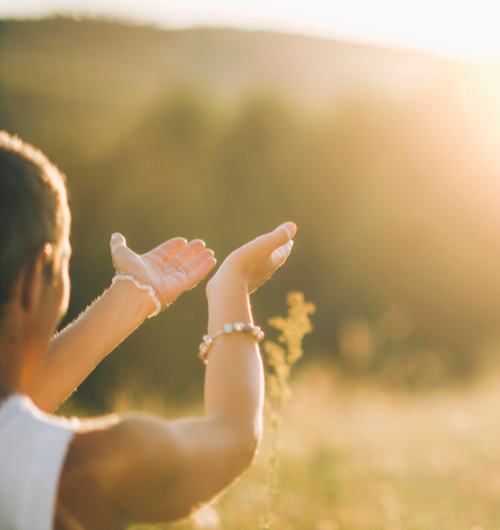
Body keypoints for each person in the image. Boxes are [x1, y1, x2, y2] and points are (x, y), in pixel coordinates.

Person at [0, 130, 296, 529]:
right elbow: (233, 436)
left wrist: (133, 296)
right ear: (35, 278)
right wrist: (232, 285)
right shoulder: (72, 469)